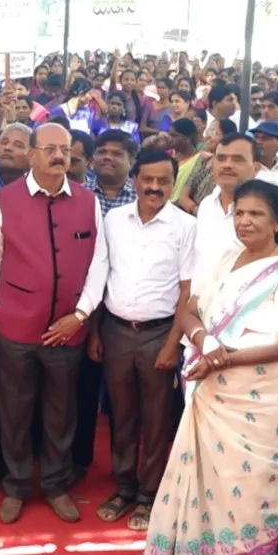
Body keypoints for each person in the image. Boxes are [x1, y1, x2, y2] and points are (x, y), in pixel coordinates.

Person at [141, 179, 278, 555]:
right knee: (203, 478)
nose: (245, 220)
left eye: (256, 214)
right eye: (240, 212)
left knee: (248, 487)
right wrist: (206, 342)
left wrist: (224, 359)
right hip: (210, 386)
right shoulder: (223, 259)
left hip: (257, 400)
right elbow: (188, 309)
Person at [0, 122, 106, 524]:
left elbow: (99, 265)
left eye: (65, 149)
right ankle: (17, 486)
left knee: (61, 411)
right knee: (15, 410)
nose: (59, 156)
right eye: (50, 149)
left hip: (68, 330)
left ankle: (55, 484)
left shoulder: (88, 202)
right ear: (32, 154)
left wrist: (81, 315)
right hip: (15, 328)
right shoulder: (2, 200)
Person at [89, 149, 195, 531]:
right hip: (116, 331)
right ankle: (124, 487)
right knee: (122, 415)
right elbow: (100, 274)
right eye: (147, 179)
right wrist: (96, 332)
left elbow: (187, 291)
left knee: (156, 418)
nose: (154, 187)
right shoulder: (114, 219)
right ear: (135, 179)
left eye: (163, 181)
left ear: (172, 183)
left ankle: (150, 494)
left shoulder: (185, 226)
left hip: (158, 335)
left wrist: (172, 345)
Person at [193, 133, 259, 281]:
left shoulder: (266, 212)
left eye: (237, 160)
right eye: (221, 159)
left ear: (256, 168)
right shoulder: (207, 205)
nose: (227, 165)